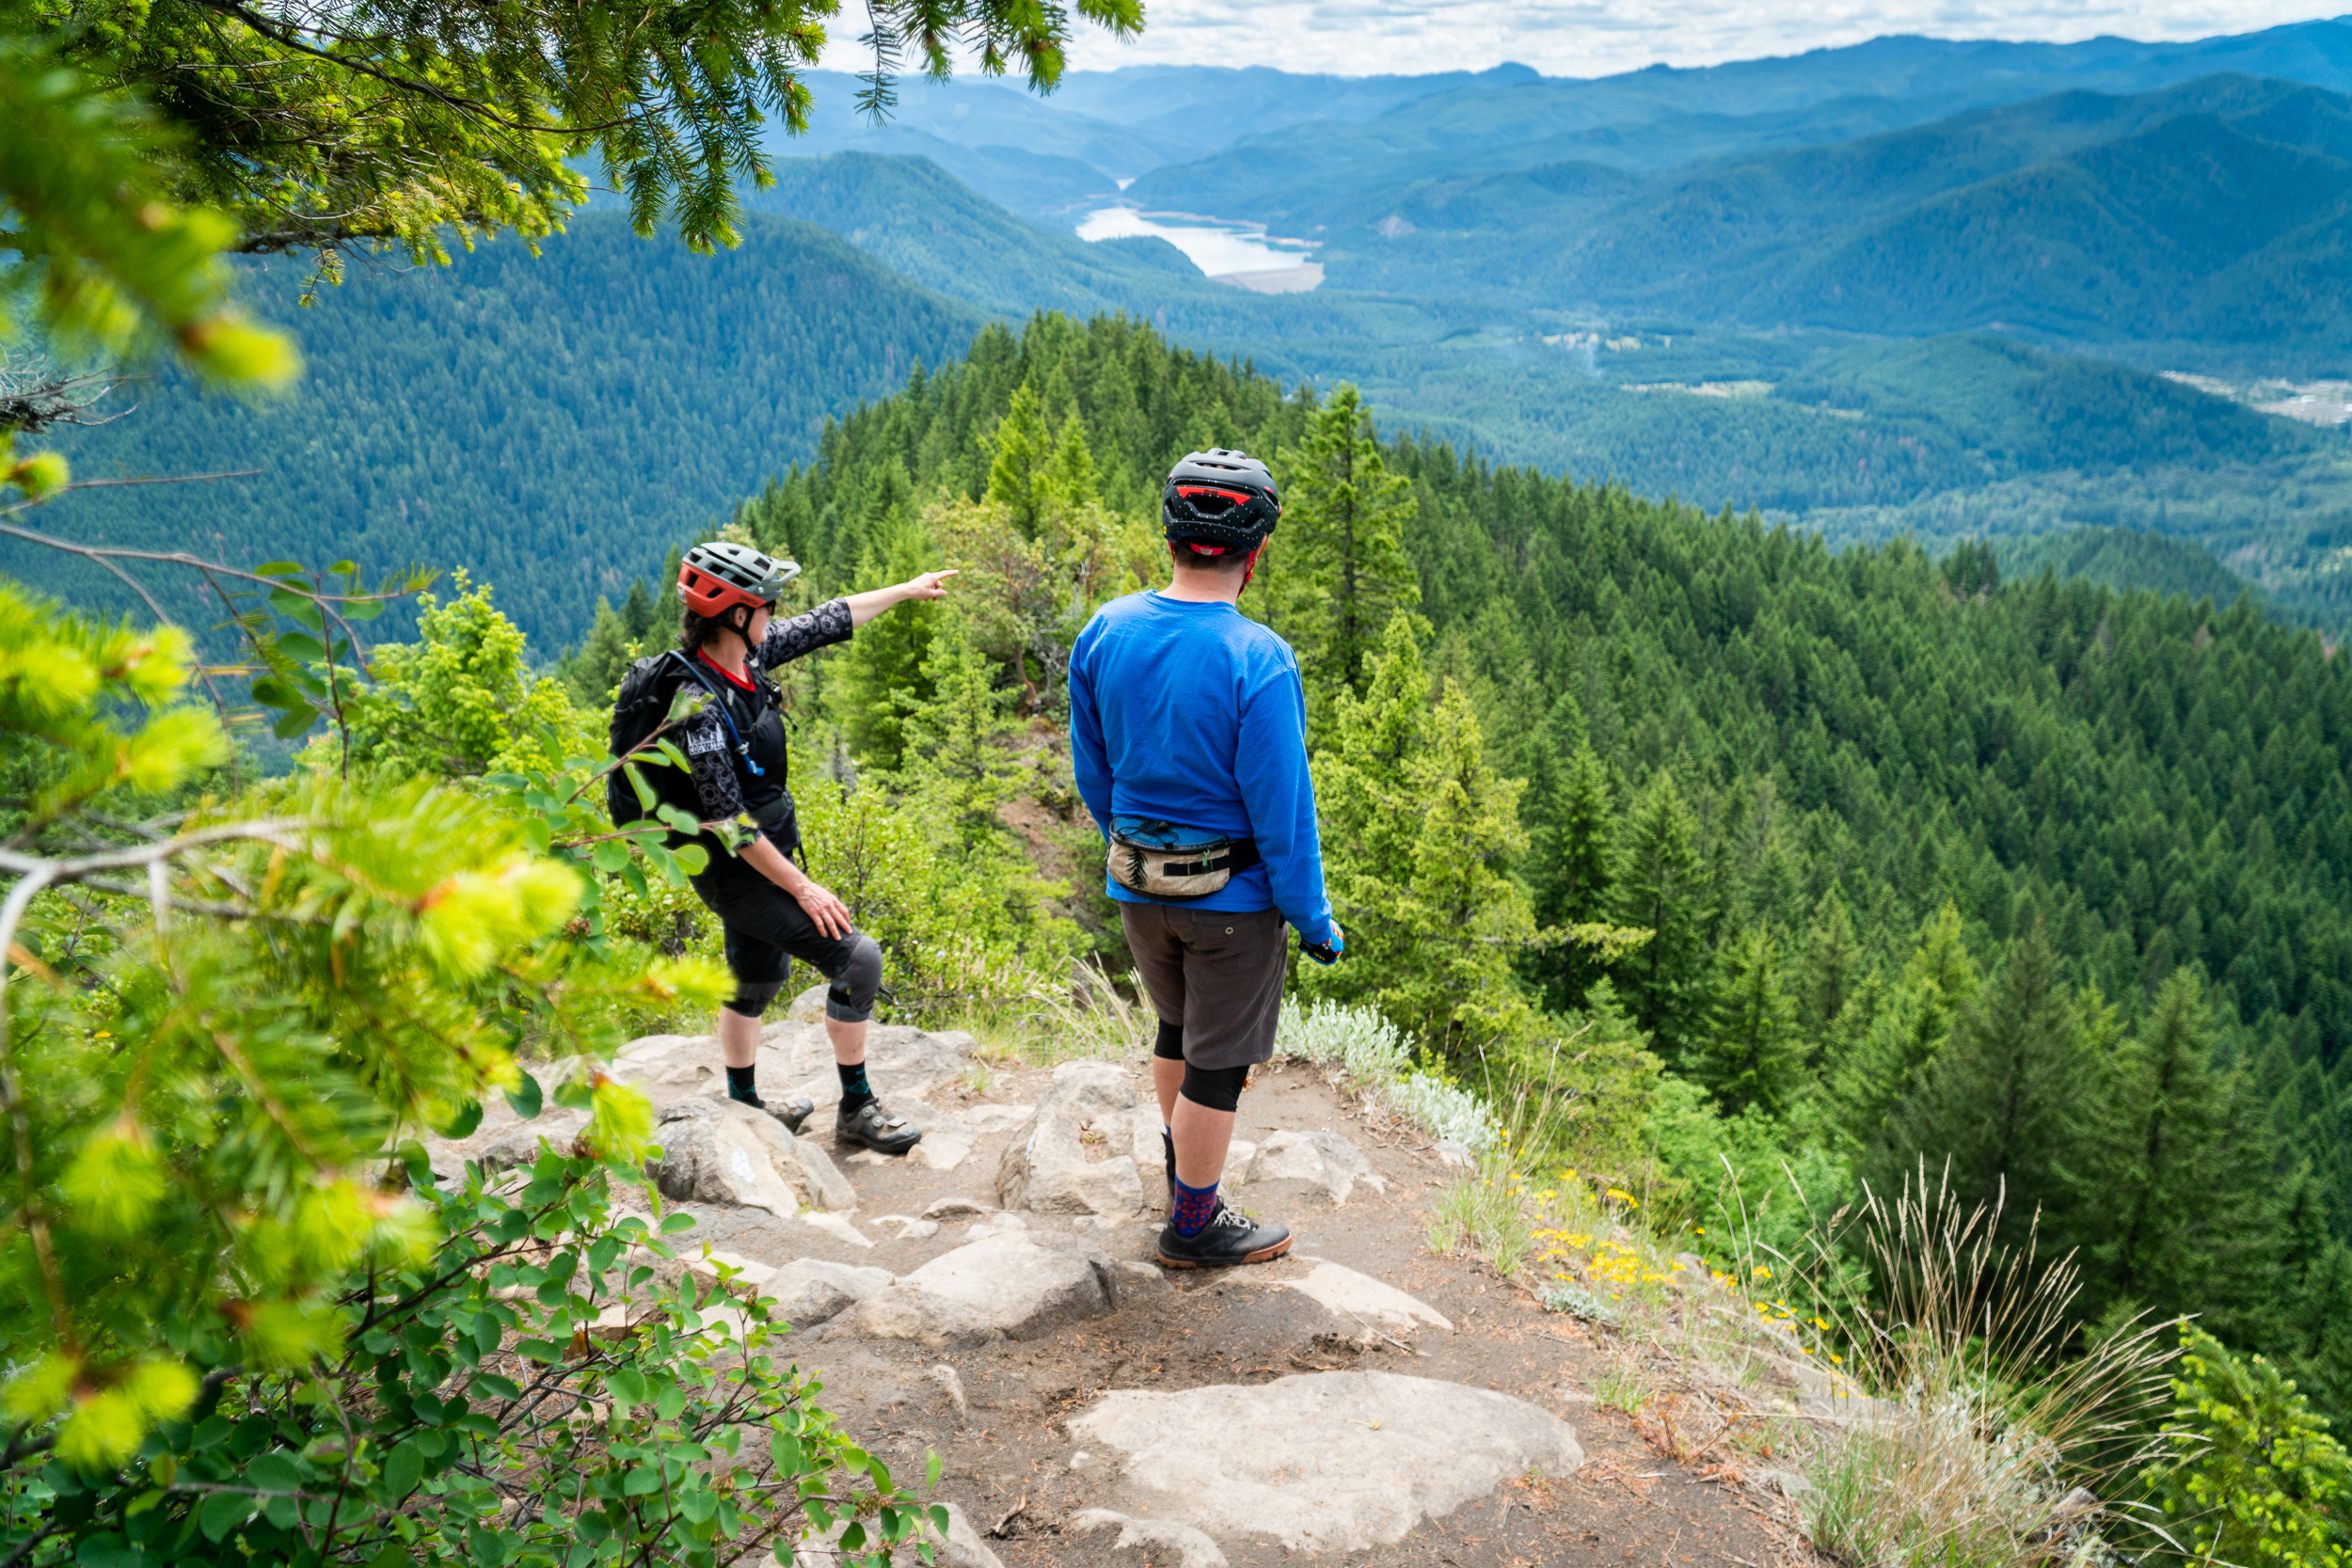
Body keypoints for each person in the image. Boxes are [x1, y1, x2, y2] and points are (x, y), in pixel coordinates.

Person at [1067, 449, 1344, 1270]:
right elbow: (1283, 810)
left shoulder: (1106, 630)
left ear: (1171, 537)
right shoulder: (1259, 657)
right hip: (1233, 902)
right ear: (1256, 552)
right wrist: (1313, 919)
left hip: (1136, 885)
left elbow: (1094, 772)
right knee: (1218, 1065)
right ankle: (1194, 1224)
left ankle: (1182, 1173)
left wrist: (1131, 844)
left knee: (1176, 1028)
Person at [666, 540, 955, 1154]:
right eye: (766, 603)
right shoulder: (696, 703)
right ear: (736, 614)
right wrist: (803, 887)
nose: (775, 612)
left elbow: (831, 618)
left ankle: (745, 1105)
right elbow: (728, 822)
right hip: (733, 867)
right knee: (858, 959)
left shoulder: (750, 655)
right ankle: (856, 1107)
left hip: (767, 852)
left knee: (757, 972)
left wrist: (907, 589)